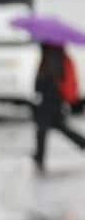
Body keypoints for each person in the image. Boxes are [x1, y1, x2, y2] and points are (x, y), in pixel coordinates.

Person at [32, 42, 85, 173]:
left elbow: (50, 78)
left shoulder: (54, 55)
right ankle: (39, 156)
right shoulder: (52, 54)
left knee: (43, 128)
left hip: (52, 97)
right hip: (52, 97)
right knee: (56, 126)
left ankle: (39, 156)